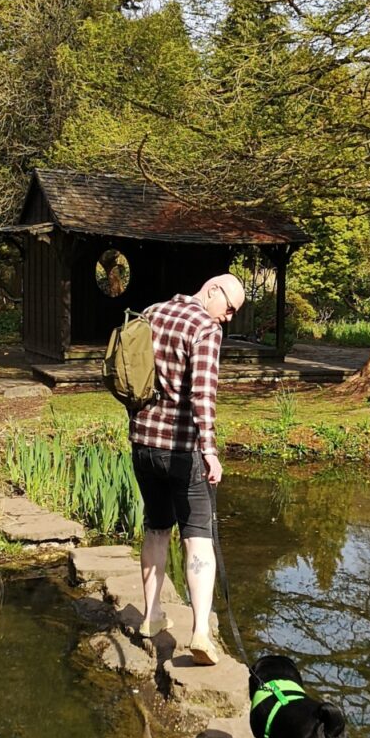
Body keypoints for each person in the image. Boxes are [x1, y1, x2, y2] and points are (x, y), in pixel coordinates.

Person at [130, 272, 246, 665]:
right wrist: (210, 451)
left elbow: (131, 377)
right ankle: (199, 631)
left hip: (144, 445)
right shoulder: (204, 328)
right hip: (183, 451)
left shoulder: (150, 313)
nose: (228, 318)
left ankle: (151, 616)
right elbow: (203, 395)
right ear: (212, 290)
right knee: (198, 537)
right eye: (229, 307)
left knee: (156, 528)